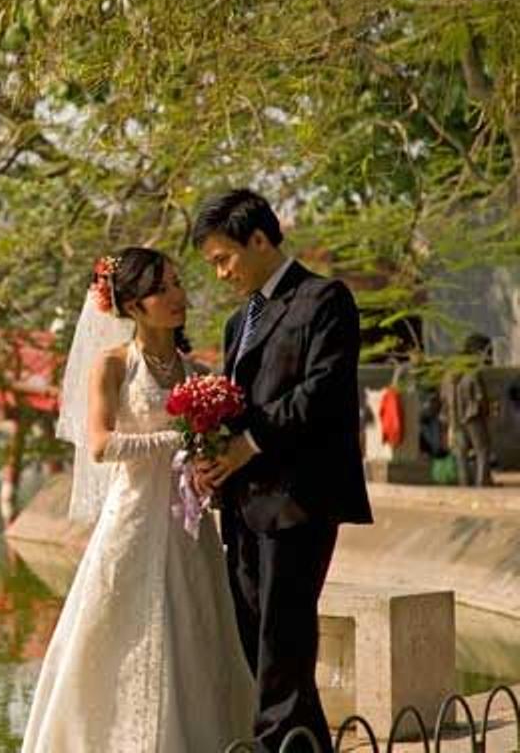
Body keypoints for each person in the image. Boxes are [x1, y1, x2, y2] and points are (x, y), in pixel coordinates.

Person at [22, 247, 255, 752]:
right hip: (131, 520)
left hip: (187, 527)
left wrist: (205, 465)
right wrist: (177, 442)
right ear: (132, 306)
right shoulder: (113, 366)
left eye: (177, 283)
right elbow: (102, 443)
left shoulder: (194, 369)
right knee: (121, 638)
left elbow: (204, 451)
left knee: (193, 634)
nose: (178, 296)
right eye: (162, 289)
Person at [192, 189, 373, 753]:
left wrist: (250, 441)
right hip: (244, 501)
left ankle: (274, 747)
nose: (221, 273)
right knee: (257, 636)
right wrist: (212, 451)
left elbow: (323, 391)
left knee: (282, 637)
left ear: (260, 240)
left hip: (300, 497)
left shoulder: (324, 299)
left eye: (225, 259)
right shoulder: (235, 322)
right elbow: (232, 402)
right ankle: (306, 745)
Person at [440, 334, 495, 487]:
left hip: (455, 418)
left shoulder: (447, 376)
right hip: (473, 416)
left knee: (461, 453)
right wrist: (486, 411)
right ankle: (483, 481)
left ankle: (464, 482)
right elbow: (480, 397)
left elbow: (443, 398)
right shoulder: (473, 374)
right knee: (482, 449)